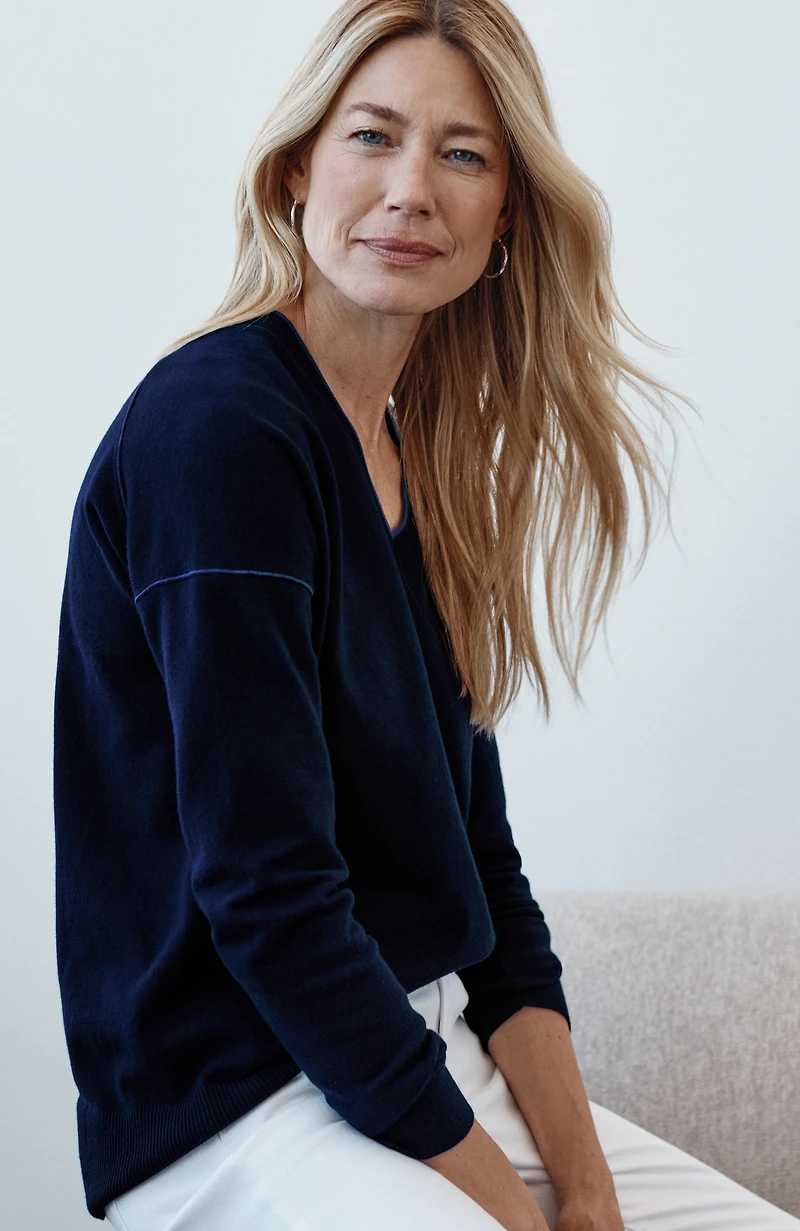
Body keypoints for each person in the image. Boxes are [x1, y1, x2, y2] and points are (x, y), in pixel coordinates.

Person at [52, 1, 800, 1229]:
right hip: (238, 1105)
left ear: (504, 214)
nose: (409, 191)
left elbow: (485, 880)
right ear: (297, 170)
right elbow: (271, 901)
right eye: (371, 136)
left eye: (461, 154)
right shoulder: (218, 432)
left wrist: (587, 1193)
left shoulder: (419, 461)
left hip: (412, 1064)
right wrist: (511, 1209)